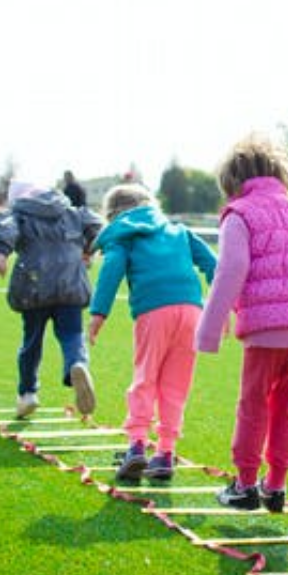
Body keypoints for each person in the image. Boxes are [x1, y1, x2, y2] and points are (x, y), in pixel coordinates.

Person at [195, 132, 288, 512]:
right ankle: (275, 485)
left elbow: (231, 270)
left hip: (266, 328)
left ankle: (243, 485)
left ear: (233, 182)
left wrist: (209, 329)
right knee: (285, 407)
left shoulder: (239, 214)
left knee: (253, 404)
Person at [88, 184, 217, 482]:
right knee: (176, 385)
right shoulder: (179, 231)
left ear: (113, 215)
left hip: (153, 311)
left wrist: (98, 314)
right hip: (191, 311)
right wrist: (223, 306)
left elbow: (112, 269)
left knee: (145, 377)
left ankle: (136, 447)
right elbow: (214, 265)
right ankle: (165, 454)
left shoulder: (123, 235)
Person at [0, 181, 103, 419]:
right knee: (72, 334)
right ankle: (77, 363)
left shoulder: (20, 214)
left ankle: (28, 393)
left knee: (32, 341)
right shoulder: (70, 211)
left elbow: (7, 228)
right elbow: (96, 225)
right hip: (71, 284)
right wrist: (89, 250)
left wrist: (1, 255)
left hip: (34, 287)